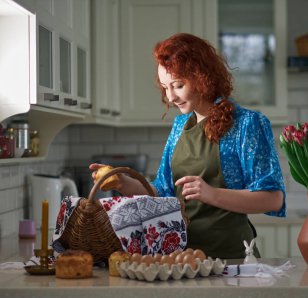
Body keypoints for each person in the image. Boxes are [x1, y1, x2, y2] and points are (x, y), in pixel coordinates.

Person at [89, 33, 286, 259]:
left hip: (231, 259)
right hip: (181, 258)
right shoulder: (180, 124)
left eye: (178, 85)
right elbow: (162, 192)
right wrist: (124, 182)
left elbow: (272, 198)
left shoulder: (247, 124)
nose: (170, 97)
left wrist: (212, 194)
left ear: (202, 77)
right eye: (165, 88)